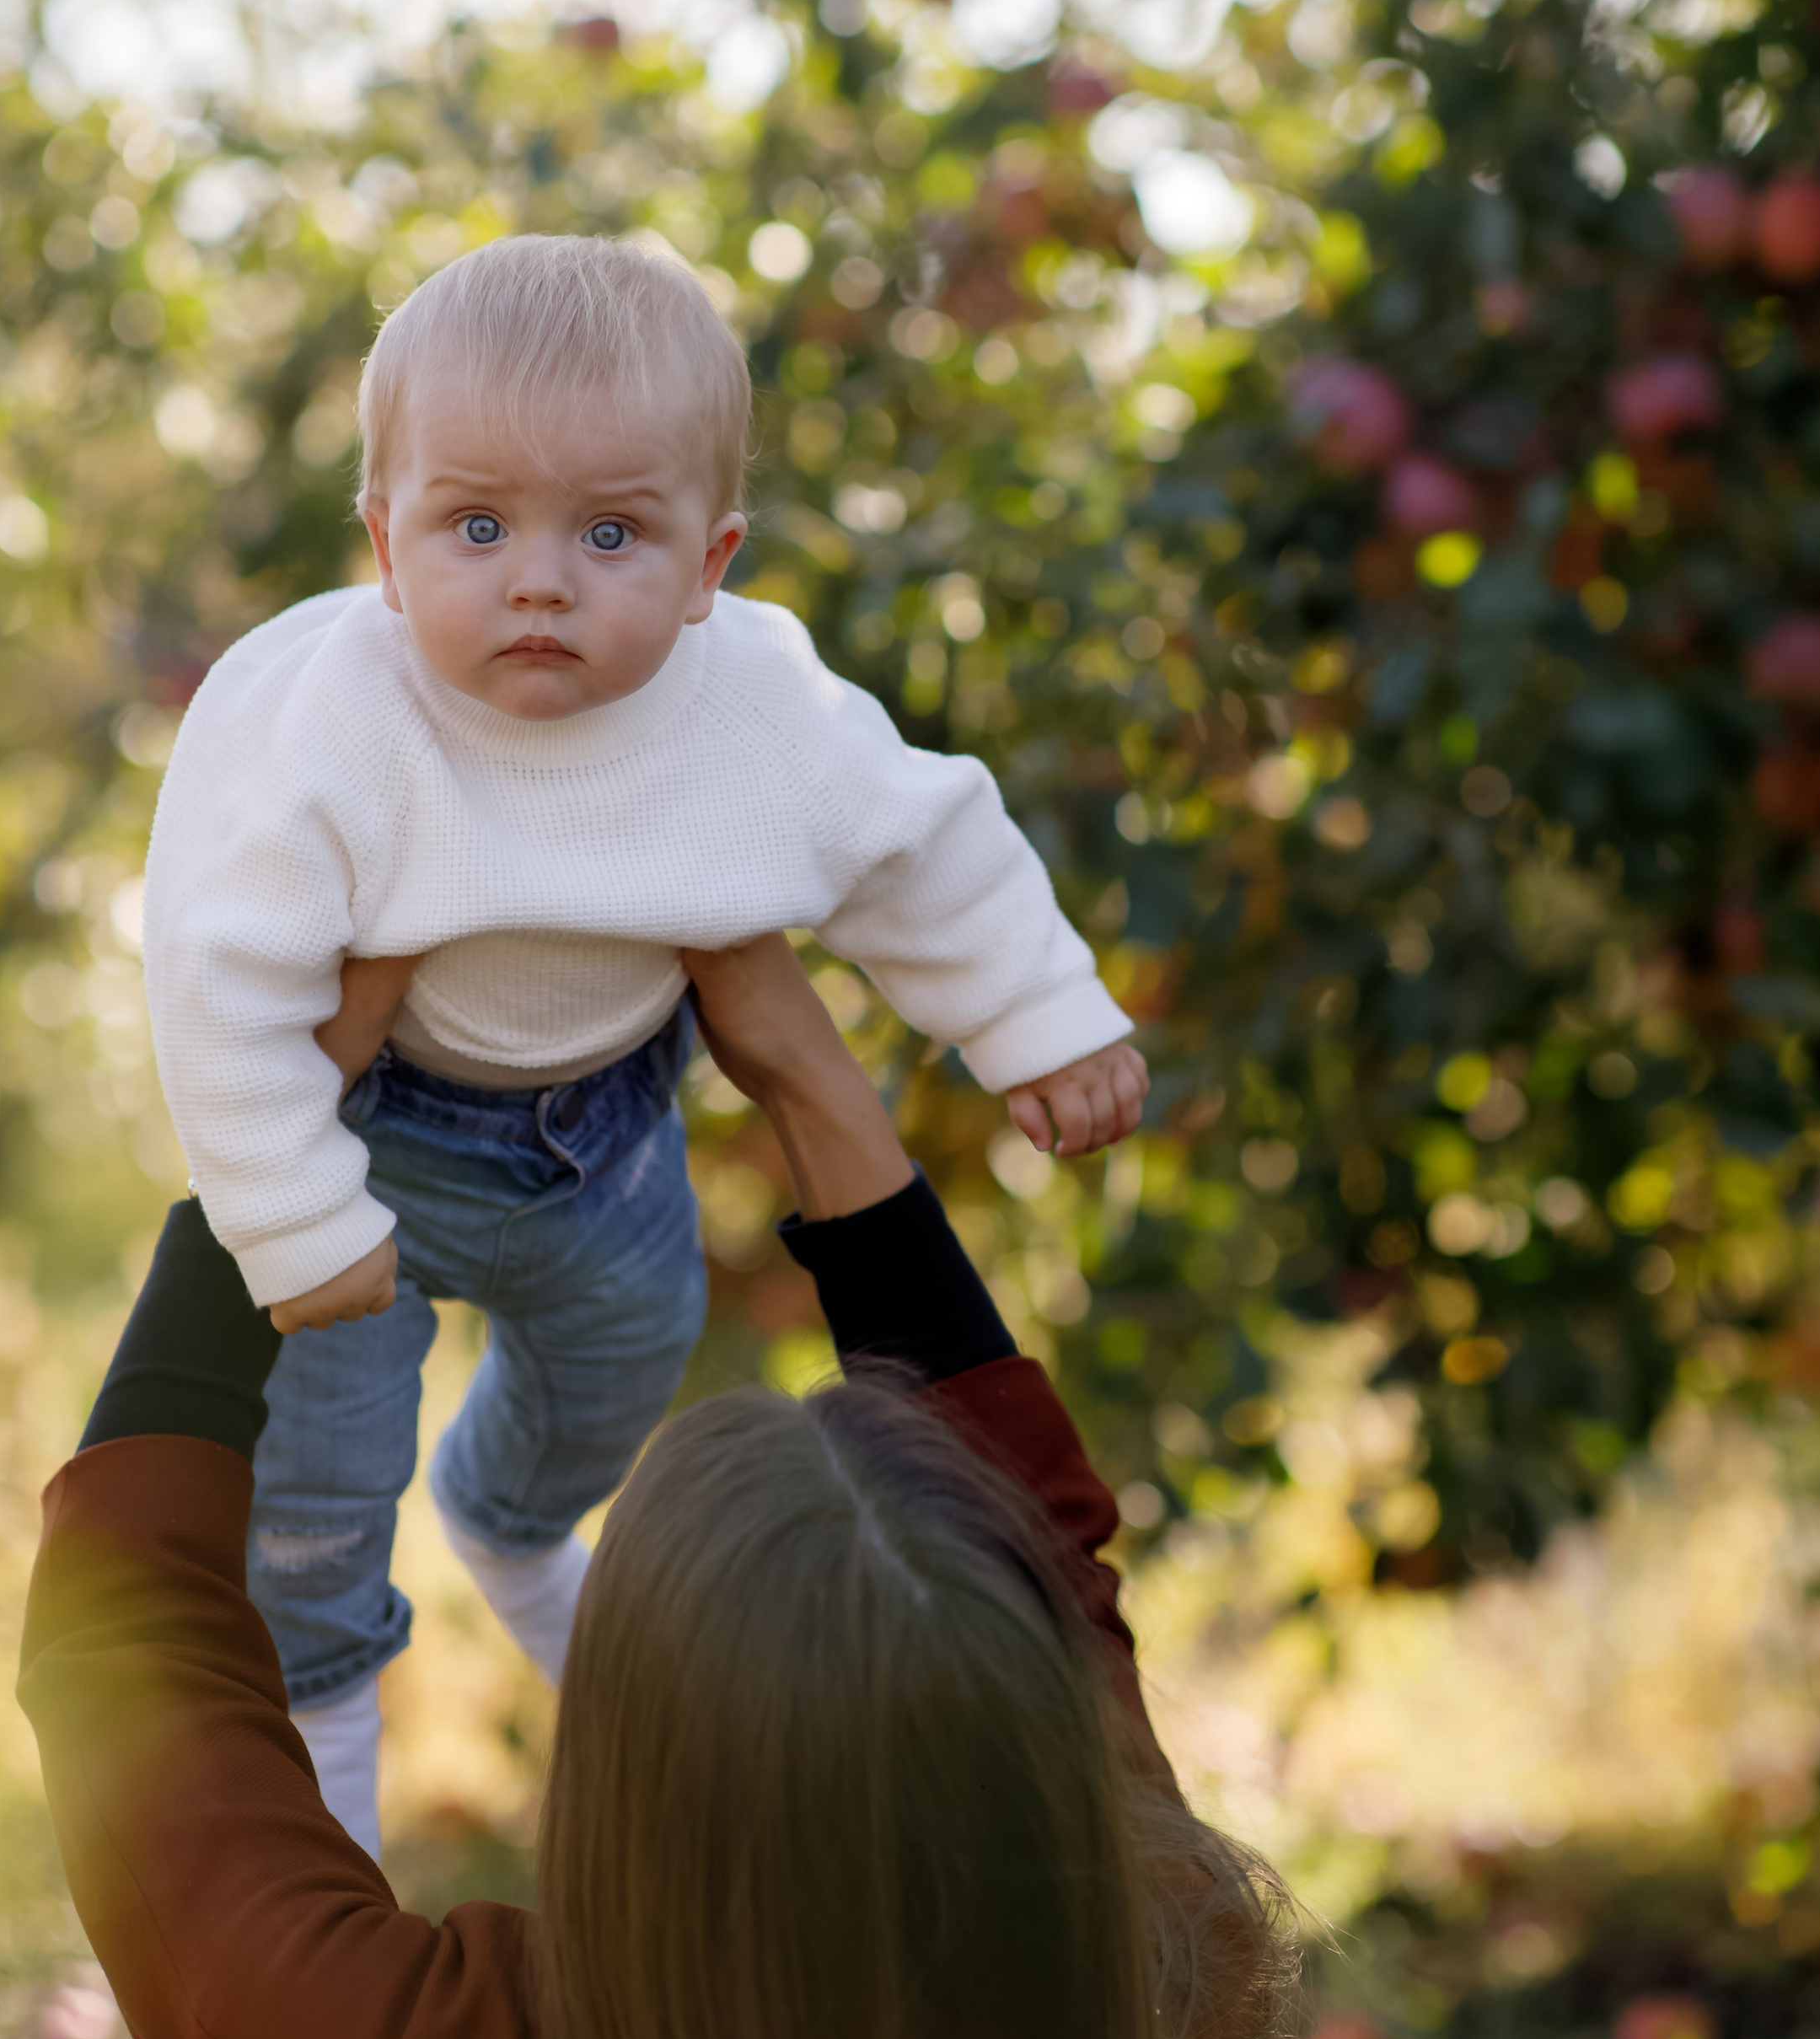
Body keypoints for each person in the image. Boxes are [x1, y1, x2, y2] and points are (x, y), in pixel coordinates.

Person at [20, 934, 1292, 2039]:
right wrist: (803, 1069)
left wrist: (274, 1141)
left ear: (629, 1756)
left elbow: (131, 1660)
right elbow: (1053, 1578)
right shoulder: (1150, 1997)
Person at [138, 235, 1148, 1848]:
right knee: (315, 1513)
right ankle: (332, 1811)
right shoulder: (332, 717)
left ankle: (516, 1527)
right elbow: (216, 969)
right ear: (386, 549)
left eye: (612, 531)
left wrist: (1035, 1018)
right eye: (477, 525)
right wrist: (291, 1209)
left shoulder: (752, 706)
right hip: (371, 1141)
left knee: (614, 1382)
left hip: (606, 1140)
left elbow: (922, 842)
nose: (539, 578)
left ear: (710, 565)